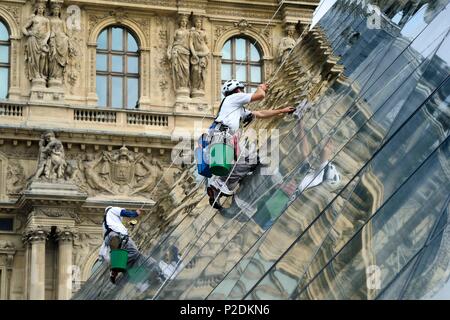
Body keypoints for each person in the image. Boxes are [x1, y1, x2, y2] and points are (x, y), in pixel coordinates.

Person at [206, 79, 295, 209]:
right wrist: (261, 87)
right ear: (237, 90)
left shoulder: (237, 108)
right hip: (223, 137)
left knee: (247, 161)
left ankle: (217, 190)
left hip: (222, 137)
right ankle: (219, 184)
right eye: (241, 89)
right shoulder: (234, 98)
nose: (242, 92)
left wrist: (282, 110)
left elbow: (260, 113)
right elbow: (260, 95)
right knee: (249, 160)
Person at [98, 206, 143, 283]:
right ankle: (116, 267)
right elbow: (124, 213)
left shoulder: (107, 222)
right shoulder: (112, 210)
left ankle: (118, 269)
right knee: (134, 252)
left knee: (131, 255)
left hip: (113, 237)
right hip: (117, 236)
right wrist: (136, 213)